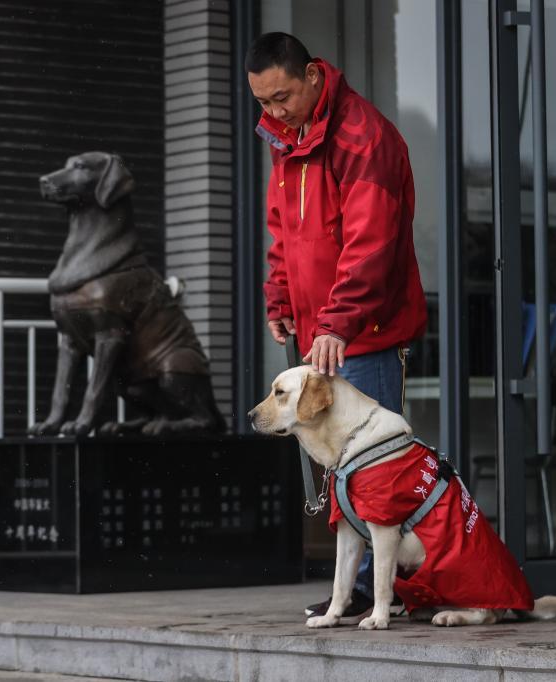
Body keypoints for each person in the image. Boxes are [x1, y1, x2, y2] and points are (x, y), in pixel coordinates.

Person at [246, 32, 427, 623]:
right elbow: (284, 232)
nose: (274, 112)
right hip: (321, 330)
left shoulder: (362, 136)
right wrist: (280, 297)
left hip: (362, 331)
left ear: (312, 76)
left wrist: (337, 322)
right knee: (339, 467)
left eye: (282, 97)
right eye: (262, 102)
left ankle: (383, 589)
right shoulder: (289, 139)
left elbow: (371, 244)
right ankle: (356, 592)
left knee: (372, 469)